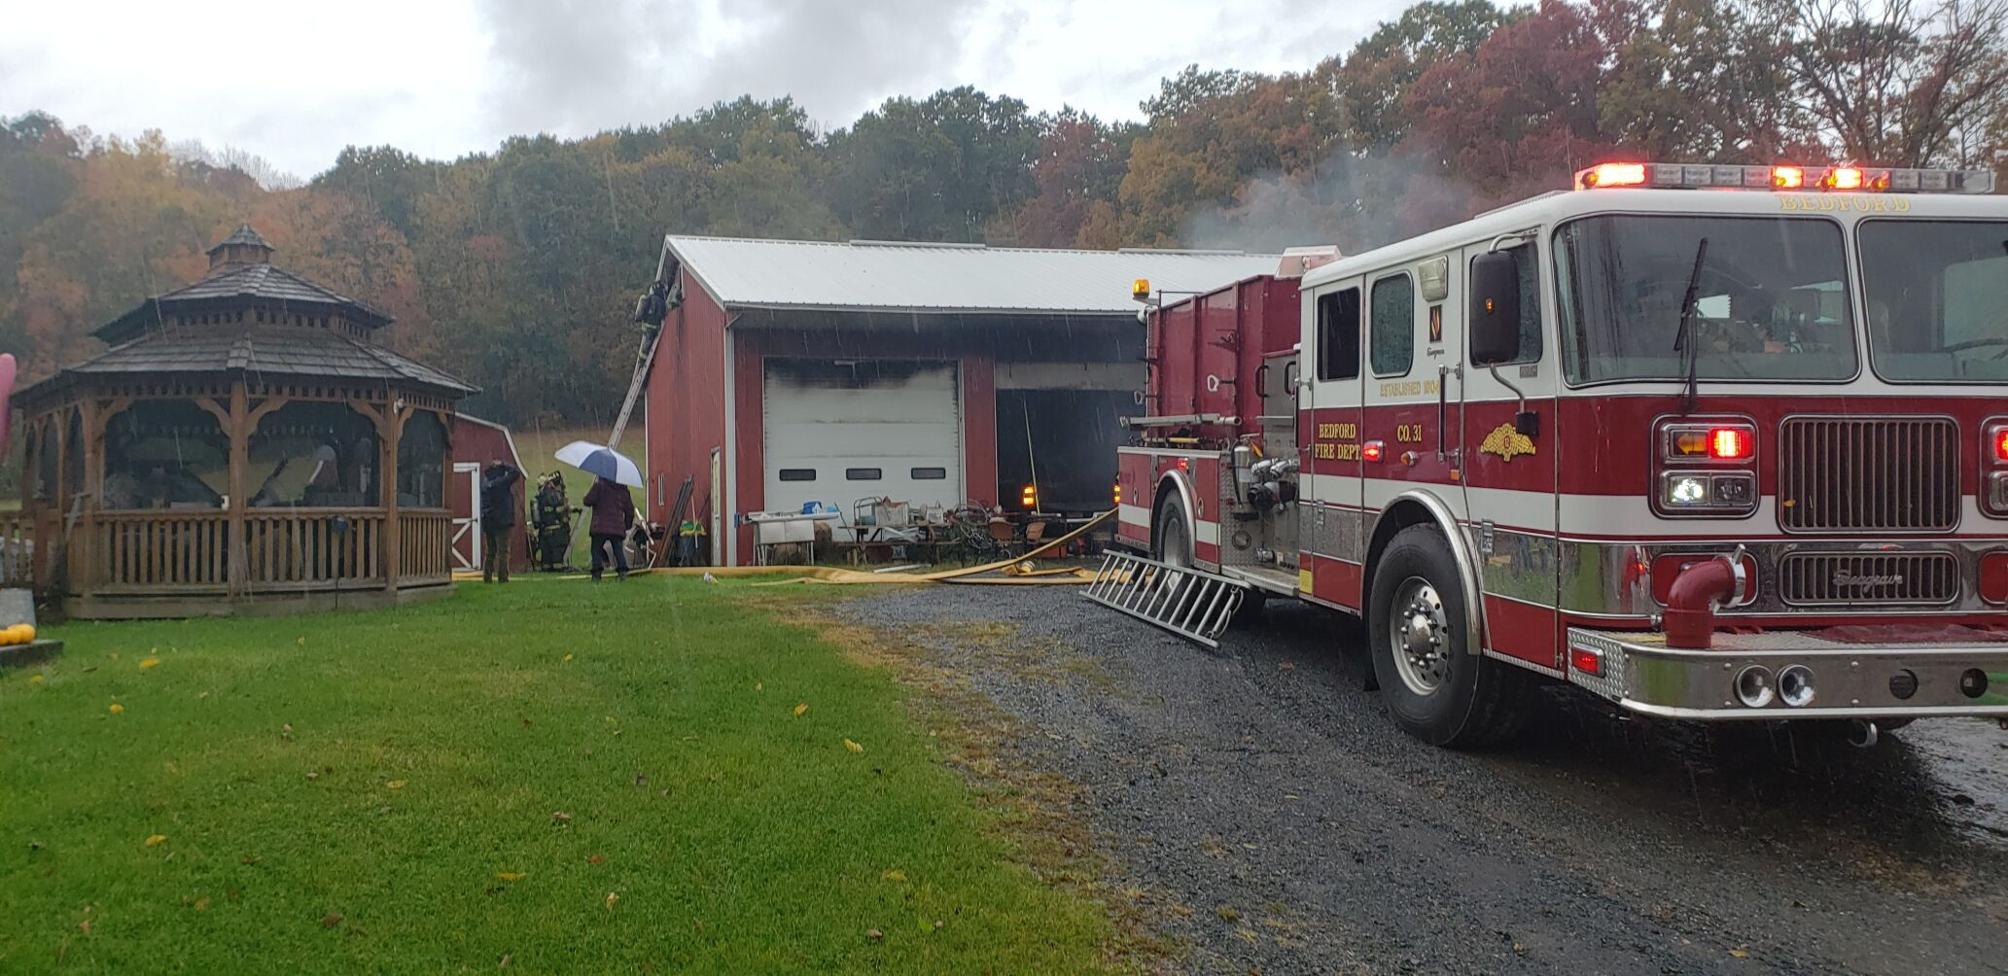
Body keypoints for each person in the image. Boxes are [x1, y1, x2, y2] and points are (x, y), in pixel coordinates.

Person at [583, 474, 634, 582]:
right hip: (617, 527)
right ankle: (622, 573)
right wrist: (626, 526)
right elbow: (630, 511)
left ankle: (596, 575)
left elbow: (587, 501)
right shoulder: (623, 490)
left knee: (596, 550)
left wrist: (591, 489)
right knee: (618, 551)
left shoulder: (599, 486)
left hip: (599, 526)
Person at [480, 458, 522, 583]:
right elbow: (516, 473)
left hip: (488, 521)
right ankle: (503, 578)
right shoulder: (501, 482)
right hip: (502, 521)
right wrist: (504, 464)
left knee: (490, 551)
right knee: (503, 551)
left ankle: (487, 577)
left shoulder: (485, 483)